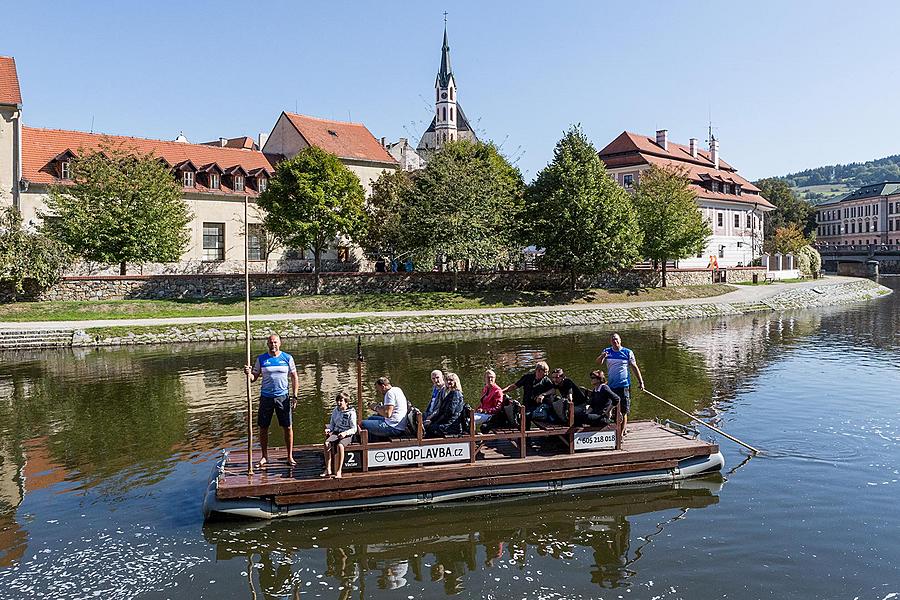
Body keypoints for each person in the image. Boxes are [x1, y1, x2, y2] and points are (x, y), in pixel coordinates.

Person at [244, 333, 299, 467]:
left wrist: (295, 395)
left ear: (279, 343)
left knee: (287, 427)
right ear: (267, 344)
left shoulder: (287, 358)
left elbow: (294, 377)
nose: (273, 345)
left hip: (283, 397)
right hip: (266, 397)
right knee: (263, 427)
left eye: (275, 342)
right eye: (270, 342)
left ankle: (289, 456)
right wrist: (248, 373)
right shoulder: (261, 359)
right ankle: (264, 456)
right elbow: (254, 377)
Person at [595, 333, 645, 432]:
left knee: (623, 410)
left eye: (617, 339)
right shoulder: (607, 351)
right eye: (613, 339)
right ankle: (613, 430)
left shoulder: (627, 352)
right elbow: (598, 363)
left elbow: (634, 367)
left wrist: (641, 382)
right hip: (611, 386)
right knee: (611, 409)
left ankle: (621, 433)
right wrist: (602, 356)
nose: (615, 341)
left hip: (624, 385)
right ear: (610, 341)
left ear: (620, 340)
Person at [501, 361, 554, 425]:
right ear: (538, 371)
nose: (546, 374)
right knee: (523, 418)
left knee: (528, 416)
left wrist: (543, 395)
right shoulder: (527, 377)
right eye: (545, 372)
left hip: (537, 407)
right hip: (526, 405)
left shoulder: (546, 380)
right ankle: (524, 431)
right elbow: (514, 386)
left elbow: (552, 390)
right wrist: (501, 392)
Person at [322, 391, 357, 479]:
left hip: (347, 434)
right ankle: (328, 469)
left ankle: (339, 471)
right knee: (326, 444)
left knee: (340, 446)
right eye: (338, 401)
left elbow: (354, 429)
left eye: (341, 401)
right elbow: (332, 424)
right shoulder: (335, 410)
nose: (339, 403)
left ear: (346, 402)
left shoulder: (351, 413)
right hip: (337, 432)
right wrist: (328, 429)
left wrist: (345, 433)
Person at [425, 372, 465, 436]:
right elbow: (441, 411)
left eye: (451, 380)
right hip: (447, 423)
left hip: (452, 426)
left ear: (456, 382)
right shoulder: (450, 393)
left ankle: (428, 444)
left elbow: (449, 413)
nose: (448, 382)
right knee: (426, 425)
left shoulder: (456, 394)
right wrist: (432, 420)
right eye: (447, 380)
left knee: (428, 428)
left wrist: (435, 422)